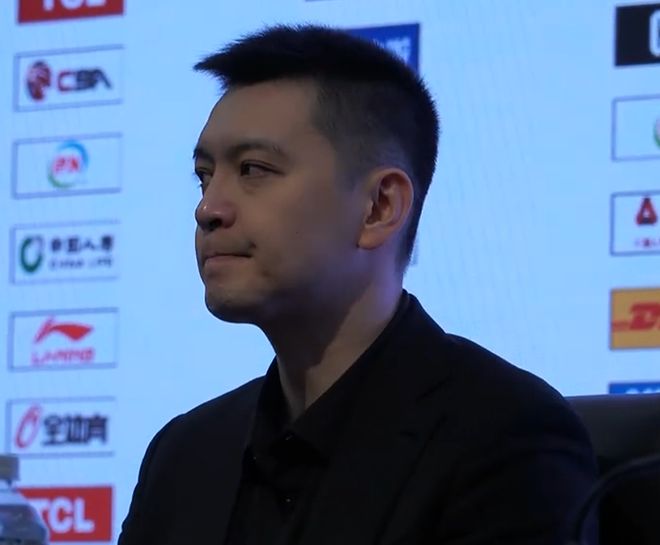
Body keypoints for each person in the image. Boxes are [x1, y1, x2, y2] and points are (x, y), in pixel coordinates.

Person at [118, 24, 598, 545]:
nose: (208, 208)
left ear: (379, 207)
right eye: (205, 175)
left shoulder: (504, 439)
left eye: (253, 169)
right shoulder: (185, 454)